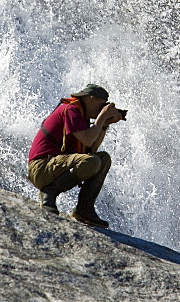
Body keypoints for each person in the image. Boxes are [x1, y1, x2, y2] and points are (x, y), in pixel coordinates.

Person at [27, 83, 124, 228]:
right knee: (92, 162)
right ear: (91, 99)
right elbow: (87, 140)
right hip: (41, 167)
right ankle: (49, 191)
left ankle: (84, 210)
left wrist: (104, 123)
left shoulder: (81, 116)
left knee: (103, 160)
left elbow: (92, 148)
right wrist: (102, 117)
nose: (102, 108)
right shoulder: (71, 109)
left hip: (53, 166)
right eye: (102, 104)